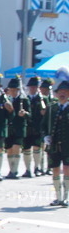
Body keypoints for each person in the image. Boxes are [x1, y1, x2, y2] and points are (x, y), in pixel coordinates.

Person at [45, 78, 69, 207]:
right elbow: (43, 125)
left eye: (65, 91)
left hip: (67, 145)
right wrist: (45, 137)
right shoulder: (52, 108)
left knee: (66, 169)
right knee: (55, 170)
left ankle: (65, 197)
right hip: (54, 144)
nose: (62, 93)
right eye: (60, 91)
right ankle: (58, 197)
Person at [24, 76, 48, 178]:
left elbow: (48, 113)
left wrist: (45, 113)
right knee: (26, 149)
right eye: (31, 87)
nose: (33, 89)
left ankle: (36, 168)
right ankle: (28, 169)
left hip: (38, 127)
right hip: (28, 126)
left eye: (35, 87)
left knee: (37, 148)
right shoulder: (25, 99)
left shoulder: (43, 99)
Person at [4, 77, 29, 179]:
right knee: (9, 150)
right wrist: (8, 110)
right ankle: (11, 170)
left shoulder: (24, 100)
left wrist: (25, 114)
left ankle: (15, 170)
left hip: (19, 128)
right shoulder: (7, 100)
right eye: (11, 90)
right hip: (9, 128)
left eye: (15, 90)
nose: (13, 92)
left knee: (16, 148)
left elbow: (30, 115)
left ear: (18, 90)